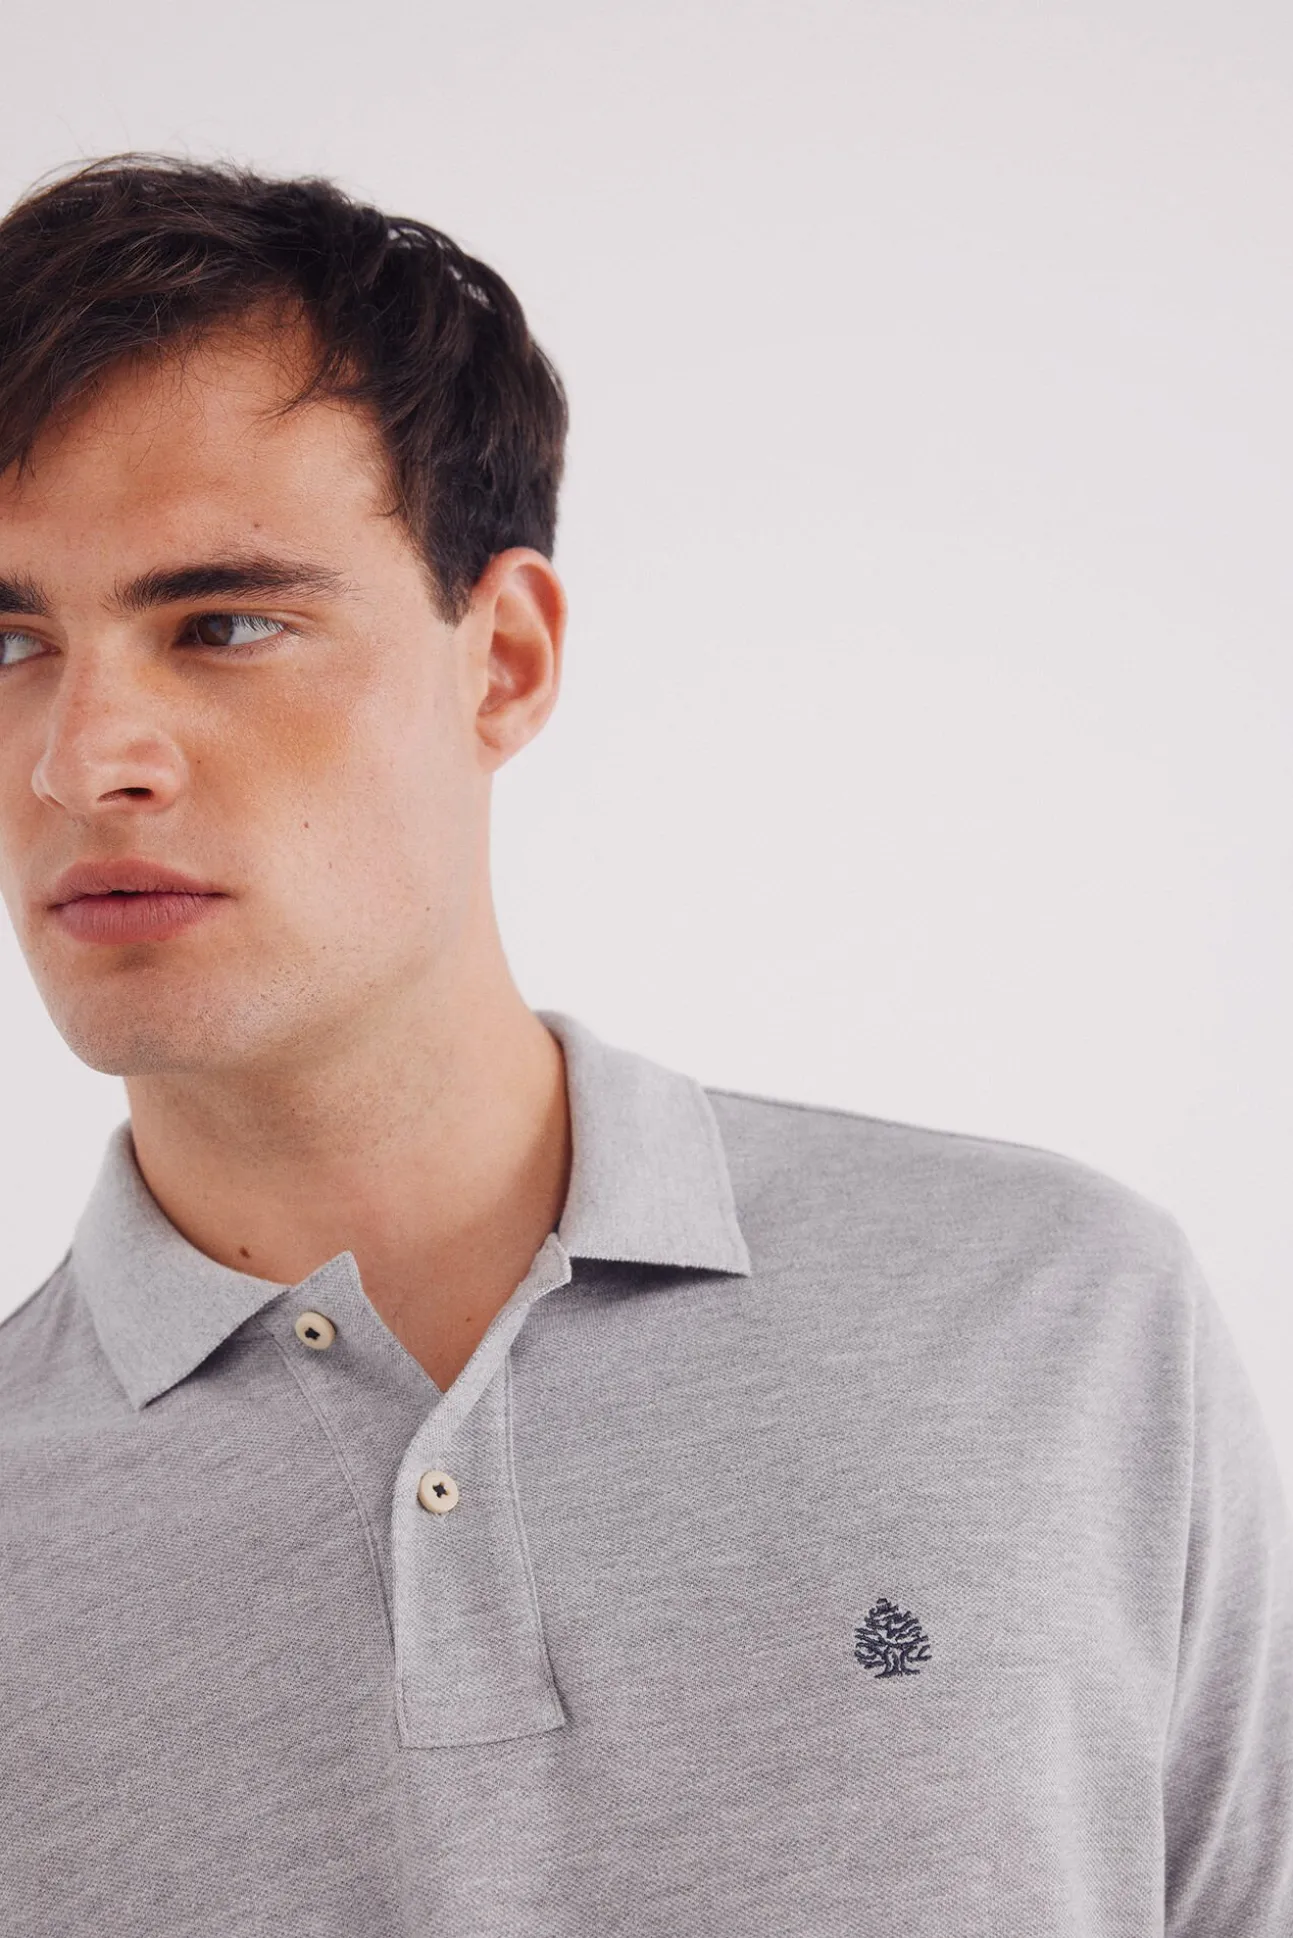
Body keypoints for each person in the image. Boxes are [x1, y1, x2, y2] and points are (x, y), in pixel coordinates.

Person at [0, 153, 1287, 1938]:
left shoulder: (1058, 1317)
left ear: (506, 660)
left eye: (224, 624)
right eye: (9, 642)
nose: (82, 758)